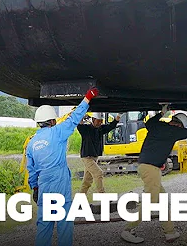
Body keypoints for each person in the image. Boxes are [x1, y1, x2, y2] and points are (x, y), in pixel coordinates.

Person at [26, 87, 99, 246]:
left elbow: (31, 171)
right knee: (65, 222)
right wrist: (87, 98)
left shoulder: (31, 143)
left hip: (43, 185)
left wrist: (35, 189)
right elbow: (74, 118)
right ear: (52, 121)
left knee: (44, 224)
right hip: (60, 182)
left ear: (39, 122)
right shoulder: (57, 132)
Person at [120, 109, 187, 244]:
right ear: (179, 125)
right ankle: (128, 229)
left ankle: (170, 232)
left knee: (162, 199)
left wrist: (162, 113)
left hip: (145, 166)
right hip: (151, 168)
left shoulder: (159, 125)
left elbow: (149, 123)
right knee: (148, 201)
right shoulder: (174, 132)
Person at [77, 112, 120, 194]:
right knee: (98, 173)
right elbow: (79, 124)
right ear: (93, 119)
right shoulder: (85, 129)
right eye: (98, 121)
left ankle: (79, 198)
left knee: (87, 181)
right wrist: (82, 114)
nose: (100, 122)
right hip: (87, 157)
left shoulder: (100, 129)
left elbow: (111, 126)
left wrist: (118, 116)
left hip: (94, 157)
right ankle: (102, 195)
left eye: (101, 121)